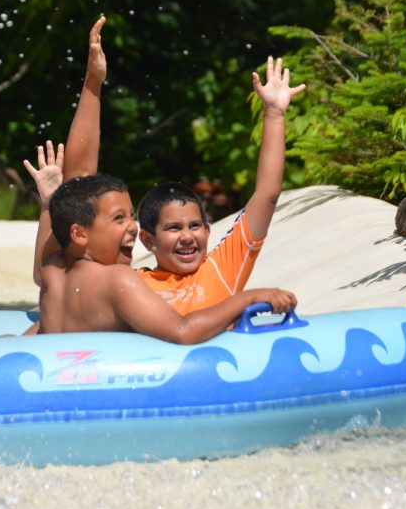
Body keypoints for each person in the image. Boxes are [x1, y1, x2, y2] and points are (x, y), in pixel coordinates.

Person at [58, 17, 306, 315]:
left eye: (194, 226)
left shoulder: (222, 270)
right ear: (148, 239)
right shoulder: (130, 282)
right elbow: (78, 187)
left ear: (207, 230)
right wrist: (93, 83)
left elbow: (267, 193)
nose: (187, 236)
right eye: (173, 227)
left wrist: (275, 115)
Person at [24, 160, 297, 342]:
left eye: (131, 216)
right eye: (120, 219)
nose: (131, 227)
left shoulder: (51, 270)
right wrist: (247, 299)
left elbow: (41, 331)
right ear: (79, 233)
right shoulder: (119, 280)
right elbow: (182, 332)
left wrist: (50, 204)